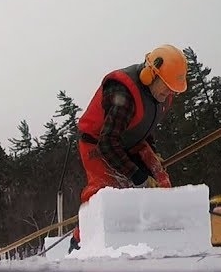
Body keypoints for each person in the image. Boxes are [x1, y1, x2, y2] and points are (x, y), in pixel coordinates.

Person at [71, 44, 187, 252]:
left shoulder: (162, 96)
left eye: (173, 88)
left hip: (127, 140)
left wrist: (150, 153)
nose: (170, 92)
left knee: (159, 180)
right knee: (106, 193)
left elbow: (143, 123)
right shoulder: (123, 93)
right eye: (166, 85)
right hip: (98, 143)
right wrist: (137, 176)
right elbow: (107, 143)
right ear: (150, 74)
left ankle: (158, 240)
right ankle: (80, 242)